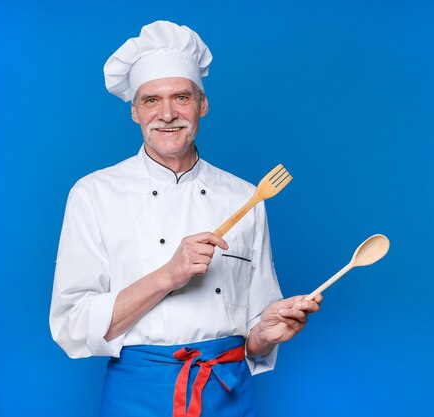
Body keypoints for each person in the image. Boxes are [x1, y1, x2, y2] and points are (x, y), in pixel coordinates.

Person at [49, 20, 322, 417]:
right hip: (137, 395)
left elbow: (255, 325)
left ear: (203, 104)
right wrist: (168, 275)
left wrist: (264, 334)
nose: (167, 114)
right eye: (151, 100)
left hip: (228, 389)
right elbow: (71, 324)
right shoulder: (93, 195)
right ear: (134, 112)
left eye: (181, 97)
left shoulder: (246, 196)